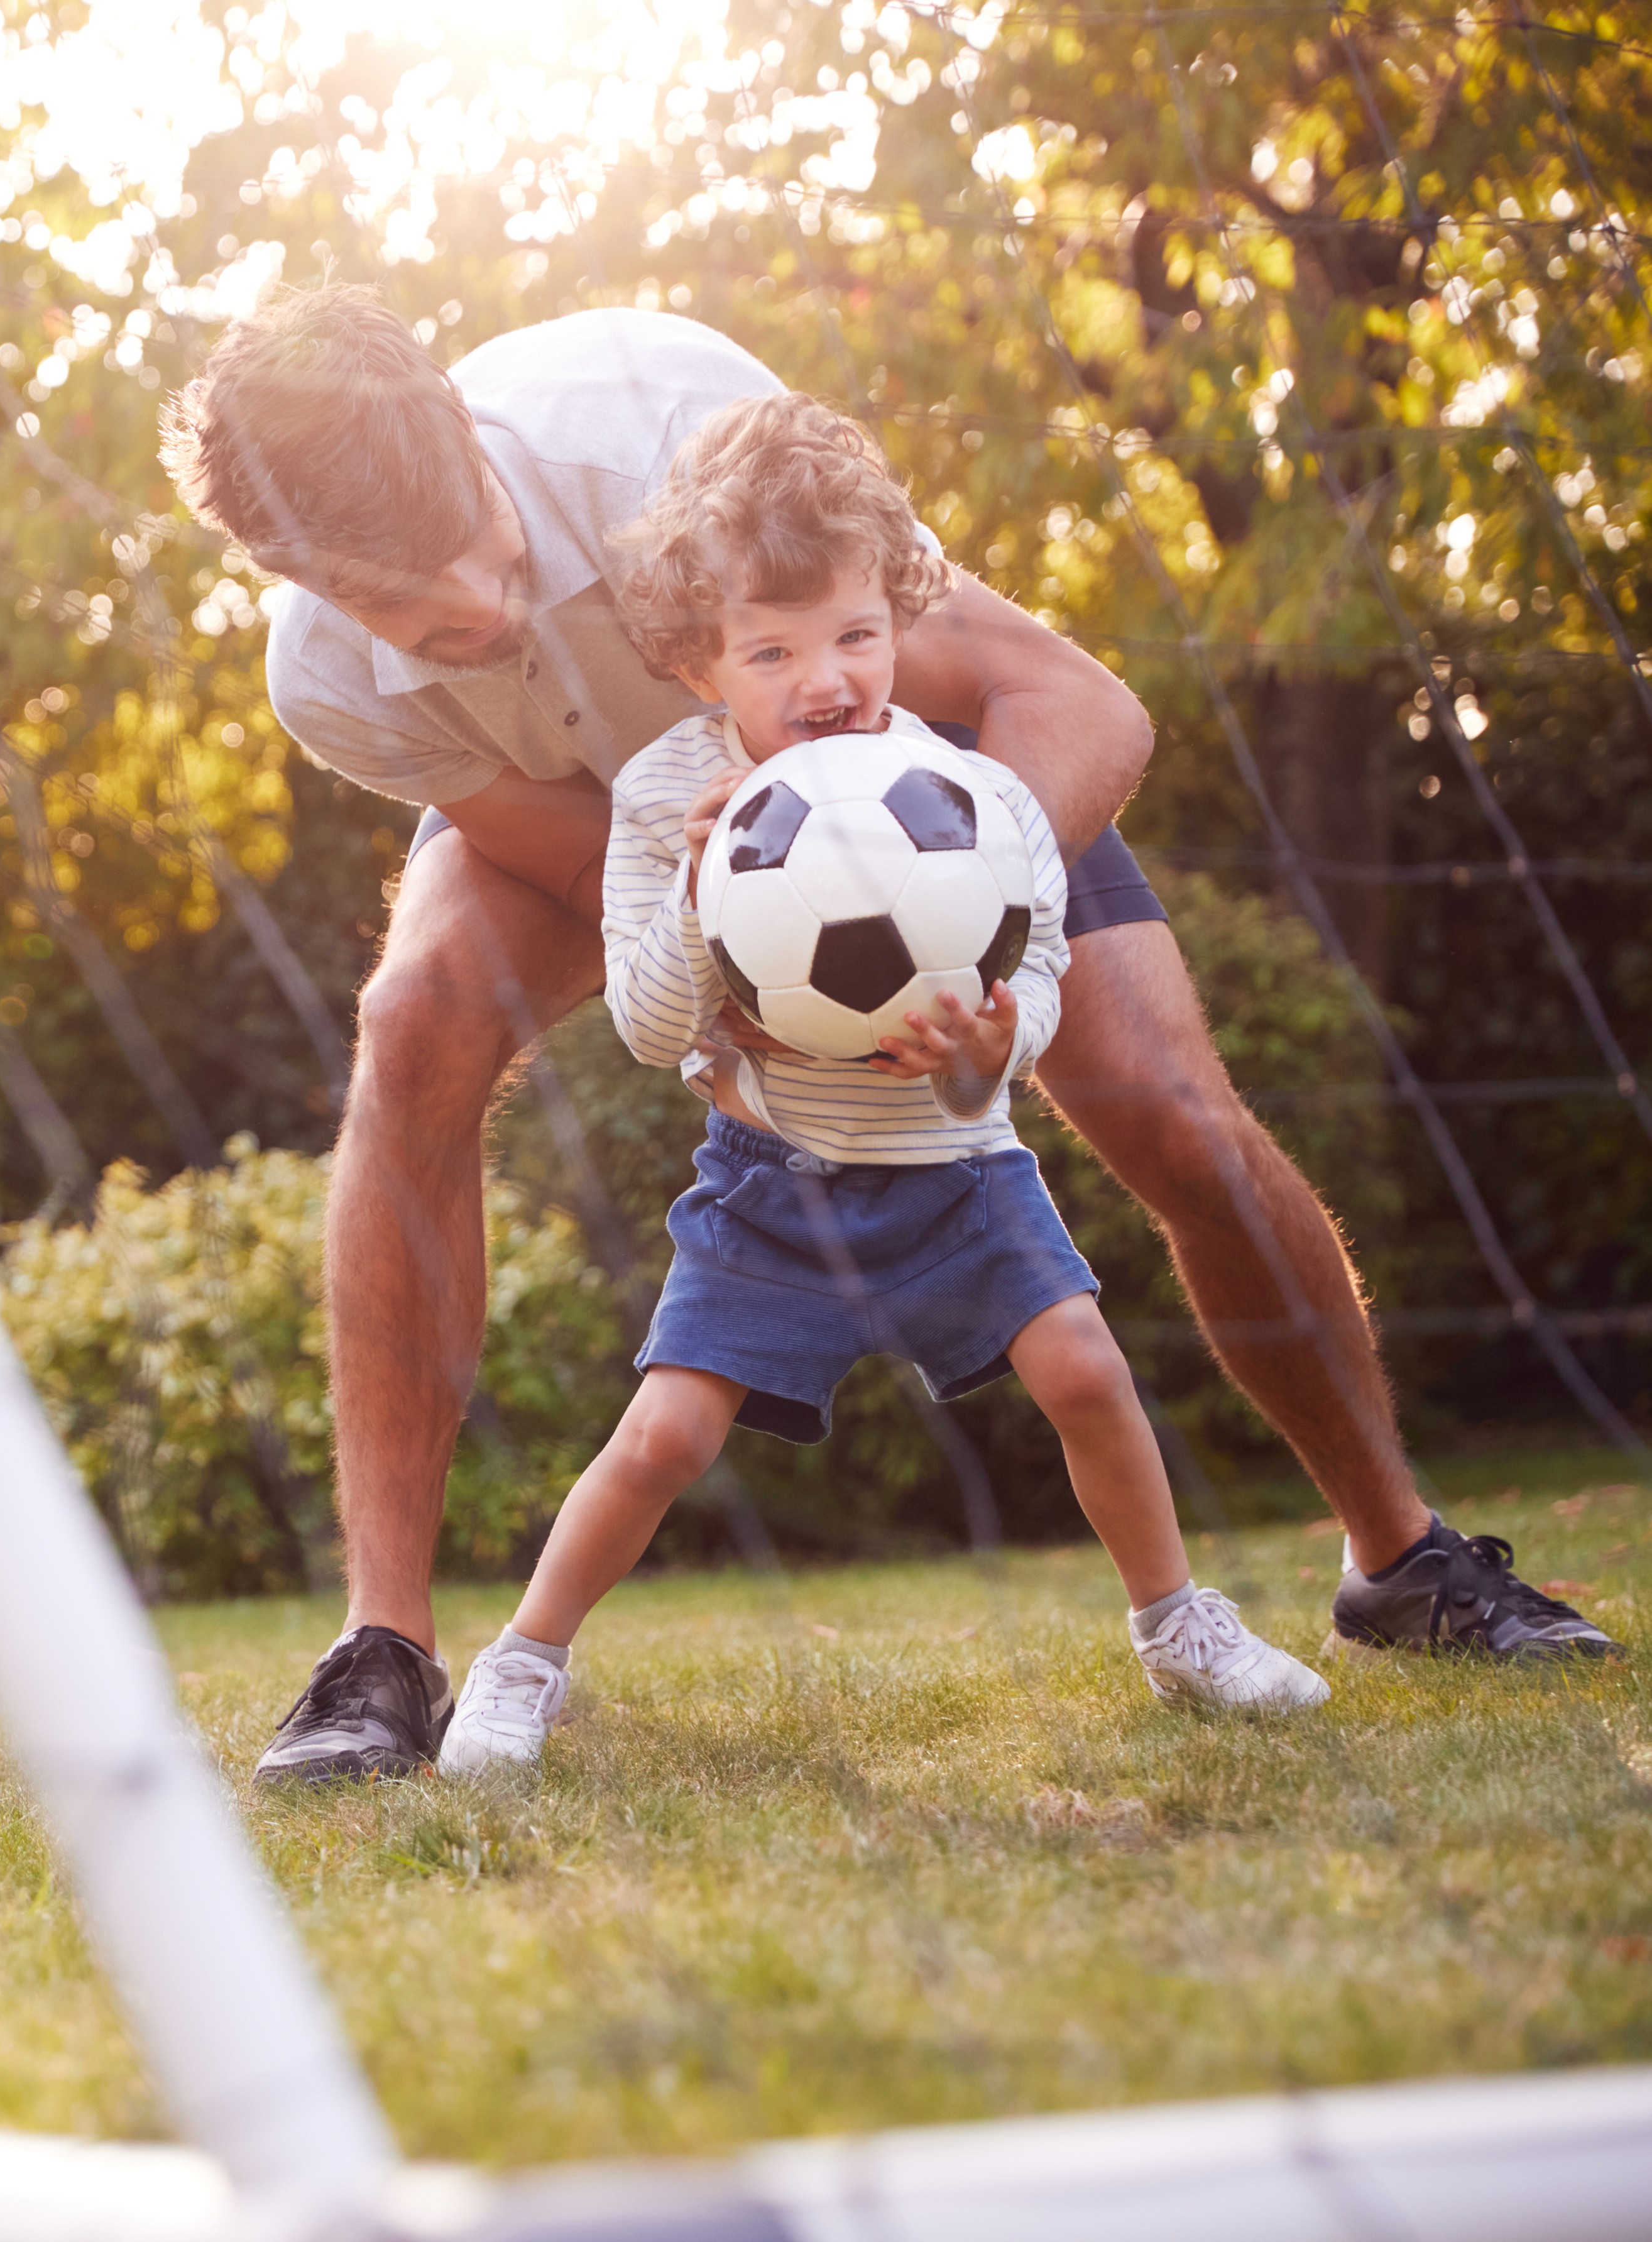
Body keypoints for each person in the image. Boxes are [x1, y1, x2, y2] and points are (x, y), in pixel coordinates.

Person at [155, 288, 1619, 1786]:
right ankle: (383, 1652)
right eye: (408, 599)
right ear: (303, 580)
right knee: (410, 1021)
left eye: (479, 535)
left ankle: (1402, 1558)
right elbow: (576, 854)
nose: (476, 599)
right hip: (660, 825)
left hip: (911, 787)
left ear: (465, 425)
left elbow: (1073, 704)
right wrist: (748, 958)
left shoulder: (662, 415)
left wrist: (935, 916)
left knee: (1169, 1114)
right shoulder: (326, 683)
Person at [437, 393, 1332, 1772]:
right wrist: (699, 890)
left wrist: (994, 1050)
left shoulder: (971, 798)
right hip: (772, 1183)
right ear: (695, 661)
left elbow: (1039, 978)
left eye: (856, 635)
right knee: (666, 1434)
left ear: (900, 618)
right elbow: (648, 1026)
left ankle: (1177, 1628)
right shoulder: (666, 795)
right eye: (772, 650)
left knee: (1087, 1370)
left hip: (960, 1170)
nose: (825, 679)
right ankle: (523, 1660)